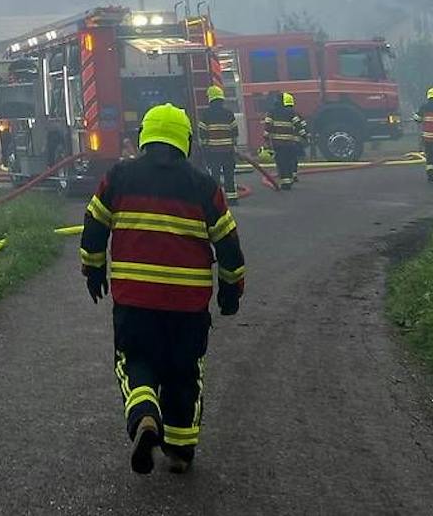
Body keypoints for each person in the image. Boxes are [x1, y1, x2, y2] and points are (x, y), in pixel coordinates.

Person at [81, 103, 246, 476]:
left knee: (134, 360)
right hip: (188, 307)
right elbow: (229, 243)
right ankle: (181, 451)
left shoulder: (119, 177)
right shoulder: (204, 186)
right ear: (185, 141)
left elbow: (94, 224)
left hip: (135, 302)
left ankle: (144, 416)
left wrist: (93, 269)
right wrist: (231, 289)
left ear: (144, 137)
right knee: (184, 372)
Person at [197, 84, 239, 205]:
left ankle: (216, 200)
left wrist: (205, 148)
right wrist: (233, 146)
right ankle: (232, 198)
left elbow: (202, 133)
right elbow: (235, 132)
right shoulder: (229, 113)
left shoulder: (206, 114)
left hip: (213, 151)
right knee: (229, 174)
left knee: (214, 175)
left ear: (210, 99)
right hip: (228, 150)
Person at [262, 92, 306, 191]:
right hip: (289, 142)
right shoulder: (290, 113)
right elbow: (298, 125)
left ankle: (285, 183)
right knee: (289, 161)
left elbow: (268, 126)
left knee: (281, 163)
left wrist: (265, 139)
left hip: (278, 143)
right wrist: (304, 136)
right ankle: (289, 180)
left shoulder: (271, 112)